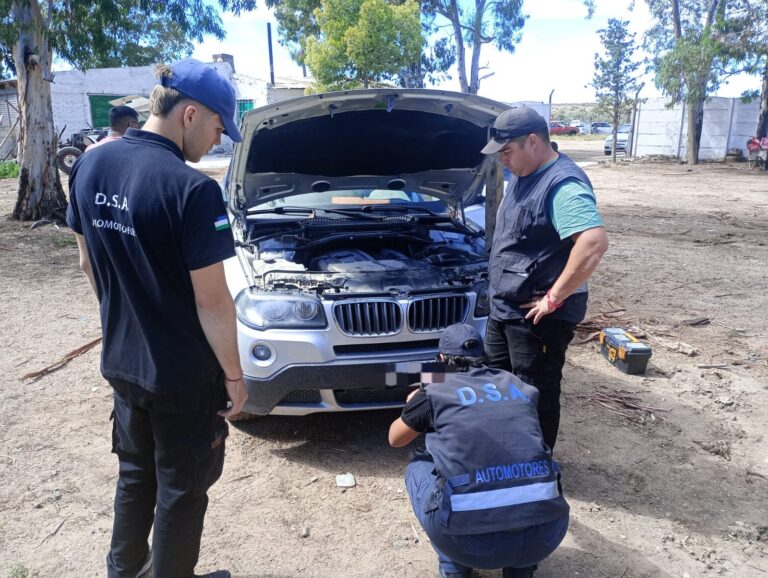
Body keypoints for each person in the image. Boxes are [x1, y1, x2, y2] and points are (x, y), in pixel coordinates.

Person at [66, 58, 247, 578]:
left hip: (122, 363)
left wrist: (129, 320)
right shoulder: (193, 191)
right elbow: (213, 302)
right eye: (218, 127)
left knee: (135, 474)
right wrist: (234, 376)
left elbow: (87, 264)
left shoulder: (90, 166)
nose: (218, 140)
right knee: (182, 491)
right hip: (183, 378)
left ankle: (123, 571)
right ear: (190, 114)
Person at [389, 323, 570, 578]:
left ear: (440, 360)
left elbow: (395, 439)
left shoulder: (434, 390)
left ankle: (454, 565)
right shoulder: (516, 384)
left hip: (469, 544)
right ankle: (522, 568)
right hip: (546, 534)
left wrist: (415, 400)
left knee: (418, 466)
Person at [480, 107, 608, 450]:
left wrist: (554, 297)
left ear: (533, 141)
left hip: (537, 316)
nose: (503, 160)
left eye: (507, 151)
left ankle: (536, 468)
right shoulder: (524, 173)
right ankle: (509, 455)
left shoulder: (562, 183)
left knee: (534, 391)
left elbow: (593, 242)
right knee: (498, 381)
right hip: (506, 307)